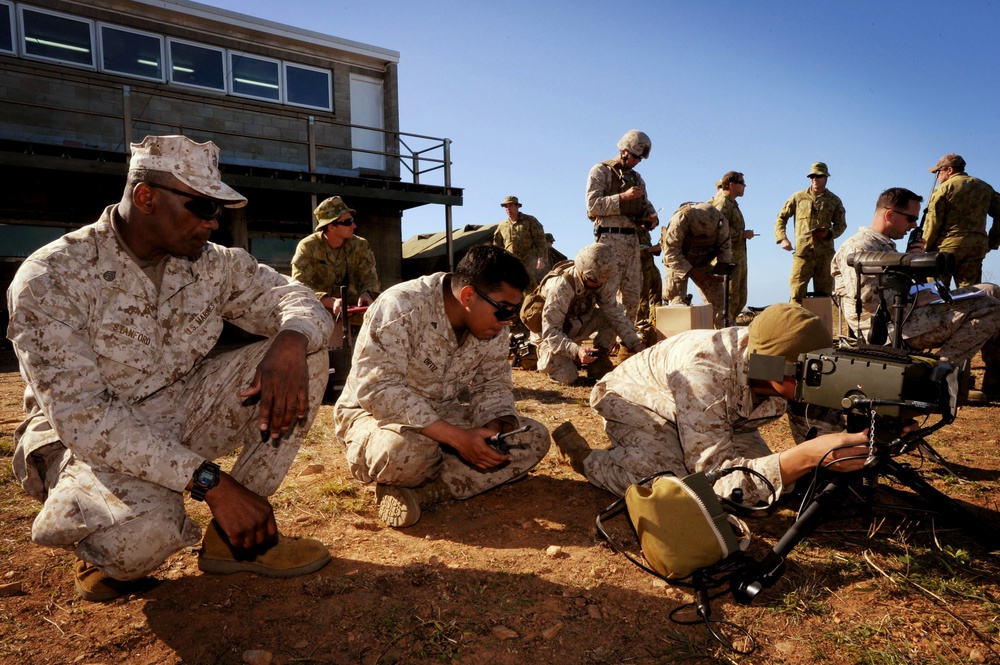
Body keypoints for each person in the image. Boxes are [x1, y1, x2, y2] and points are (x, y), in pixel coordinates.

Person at [6, 135, 334, 602]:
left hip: (180, 408)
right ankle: (101, 549)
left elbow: (297, 298)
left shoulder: (211, 264)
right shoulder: (52, 278)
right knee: (142, 540)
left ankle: (234, 537)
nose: (213, 223)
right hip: (86, 441)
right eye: (201, 207)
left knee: (310, 355)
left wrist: (292, 337)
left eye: (218, 210)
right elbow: (84, 419)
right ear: (146, 197)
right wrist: (211, 482)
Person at [553, 304, 869, 501]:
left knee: (759, 491)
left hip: (723, 418)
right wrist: (803, 458)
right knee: (678, 487)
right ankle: (589, 460)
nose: (812, 384)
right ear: (771, 368)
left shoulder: (785, 367)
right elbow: (713, 474)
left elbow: (818, 435)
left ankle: (663, 444)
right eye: (802, 376)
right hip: (637, 397)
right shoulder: (706, 373)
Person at [332, 244, 552, 528]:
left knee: (532, 438)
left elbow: (493, 383)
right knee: (403, 453)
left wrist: (494, 430)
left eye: (514, 311)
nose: (508, 321)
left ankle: (429, 491)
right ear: (468, 295)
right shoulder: (402, 305)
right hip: (376, 417)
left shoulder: (495, 322)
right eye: (504, 310)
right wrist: (458, 439)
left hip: (444, 415)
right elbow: (378, 390)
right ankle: (434, 467)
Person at [831, 187, 1000, 402]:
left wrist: (912, 263)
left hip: (906, 314)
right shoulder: (859, 246)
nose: (913, 226)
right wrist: (916, 300)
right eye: (911, 218)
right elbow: (868, 301)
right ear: (890, 215)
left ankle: (994, 378)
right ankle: (937, 378)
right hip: (884, 328)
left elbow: (896, 286)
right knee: (991, 309)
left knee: (989, 290)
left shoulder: (885, 246)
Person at [528, 243, 645, 385]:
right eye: (595, 281)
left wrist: (636, 344)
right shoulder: (560, 287)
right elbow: (550, 332)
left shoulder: (599, 279)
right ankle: (541, 355)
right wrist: (576, 350)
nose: (599, 286)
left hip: (574, 325)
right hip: (550, 336)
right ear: (582, 273)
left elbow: (615, 315)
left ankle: (597, 359)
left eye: (602, 281)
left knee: (608, 317)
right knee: (567, 378)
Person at [586, 130, 659, 330]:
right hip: (609, 239)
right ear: (624, 150)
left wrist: (651, 218)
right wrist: (622, 198)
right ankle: (604, 345)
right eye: (635, 156)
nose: (637, 161)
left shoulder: (637, 179)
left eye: (641, 158)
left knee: (633, 297)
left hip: (633, 242)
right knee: (608, 296)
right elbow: (593, 205)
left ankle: (625, 342)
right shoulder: (601, 171)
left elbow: (646, 205)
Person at [291, 195, 379, 325]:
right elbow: (299, 284)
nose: (354, 225)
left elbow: (369, 277)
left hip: (354, 309)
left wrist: (367, 294)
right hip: (318, 310)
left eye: (352, 220)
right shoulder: (308, 246)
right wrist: (330, 301)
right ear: (331, 226)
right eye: (347, 222)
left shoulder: (360, 245)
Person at [923, 153, 1000, 287]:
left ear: (949, 170)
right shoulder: (985, 188)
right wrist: (991, 243)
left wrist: (924, 248)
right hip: (975, 247)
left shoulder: (943, 189)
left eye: (938, 172)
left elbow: (933, 221)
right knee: (970, 293)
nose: (937, 177)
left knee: (936, 293)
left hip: (946, 248)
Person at [774, 162, 847, 304]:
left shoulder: (834, 201)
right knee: (796, 294)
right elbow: (781, 218)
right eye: (812, 176)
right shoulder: (798, 197)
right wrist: (782, 238)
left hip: (825, 256)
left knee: (824, 296)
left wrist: (829, 233)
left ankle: (820, 325)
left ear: (826, 177)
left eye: (818, 176)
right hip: (803, 254)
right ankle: (796, 325)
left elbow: (841, 224)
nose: (815, 179)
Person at [660, 201, 732, 328]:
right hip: (677, 262)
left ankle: (729, 337)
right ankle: (677, 340)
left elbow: (725, 248)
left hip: (702, 261)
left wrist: (721, 271)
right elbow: (671, 253)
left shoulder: (721, 222)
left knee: (720, 304)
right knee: (677, 304)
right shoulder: (681, 219)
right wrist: (692, 271)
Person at [711, 171, 755, 321]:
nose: (744, 186)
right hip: (728, 261)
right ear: (731, 184)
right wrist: (742, 234)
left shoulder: (732, 204)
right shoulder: (722, 203)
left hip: (738, 260)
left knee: (739, 300)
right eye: (742, 183)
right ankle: (723, 331)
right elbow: (718, 228)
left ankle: (730, 326)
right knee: (729, 300)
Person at [493, 195, 548, 291]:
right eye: (506, 206)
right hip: (510, 266)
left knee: (529, 292)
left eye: (511, 205)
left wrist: (541, 258)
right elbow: (497, 246)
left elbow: (540, 241)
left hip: (527, 265)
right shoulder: (502, 226)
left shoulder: (530, 221)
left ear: (517, 206)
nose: (508, 209)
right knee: (512, 291)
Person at [634, 226, 663, 326]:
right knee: (643, 302)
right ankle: (637, 327)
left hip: (651, 267)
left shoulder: (646, 232)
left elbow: (650, 250)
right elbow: (633, 250)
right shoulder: (633, 230)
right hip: (641, 270)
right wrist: (651, 249)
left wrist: (658, 248)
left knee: (657, 299)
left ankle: (655, 324)